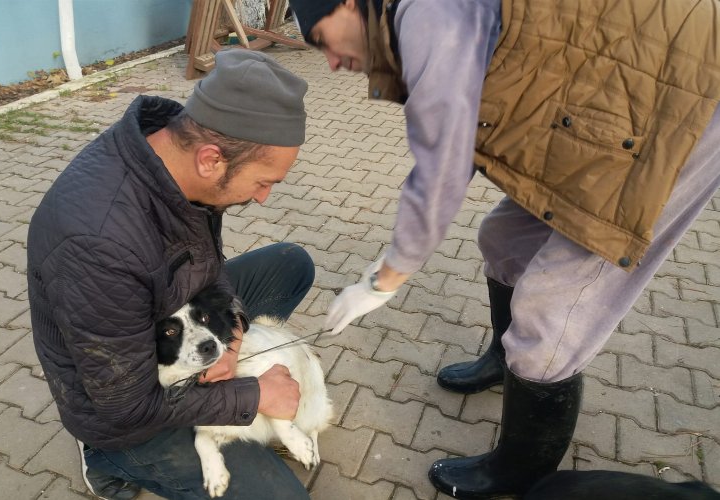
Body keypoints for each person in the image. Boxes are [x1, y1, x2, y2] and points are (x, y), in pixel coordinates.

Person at [286, 0, 720, 498]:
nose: (331, 63)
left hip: (684, 105)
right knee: (504, 238)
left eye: (321, 40)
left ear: (348, 4)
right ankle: (505, 358)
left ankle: (520, 469)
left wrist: (384, 278)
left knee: (551, 307)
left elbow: (443, 164)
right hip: (612, 105)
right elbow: (464, 136)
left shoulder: (426, 14)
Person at [27, 49, 314, 500]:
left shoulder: (174, 157)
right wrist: (253, 397)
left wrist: (230, 346)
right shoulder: (98, 243)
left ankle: (207, 382)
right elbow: (128, 407)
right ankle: (104, 455)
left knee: (291, 265)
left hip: (166, 311)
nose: (264, 198)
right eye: (264, 181)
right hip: (119, 401)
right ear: (211, 159)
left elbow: (208, 265)